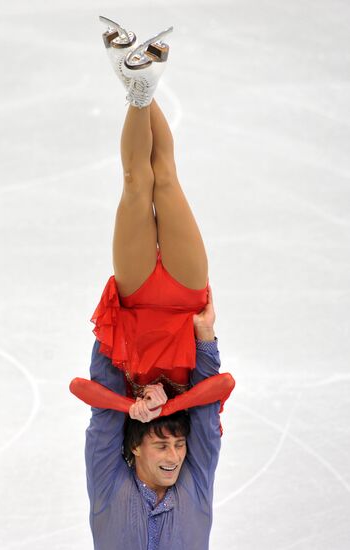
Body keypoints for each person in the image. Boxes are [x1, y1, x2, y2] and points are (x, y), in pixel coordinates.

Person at [69, 17, 236, 549]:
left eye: (165, 445)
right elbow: (220, 390)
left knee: (137, 185)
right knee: (168, 179)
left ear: (133, 450)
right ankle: (140, 85)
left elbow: (87, 391)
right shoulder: (197, 485)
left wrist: (133, 409)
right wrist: (172, 408)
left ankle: (138, 88)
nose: (172, 455)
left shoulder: (108, 481)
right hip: (184, 311)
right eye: (169, 446)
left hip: (137, 311)